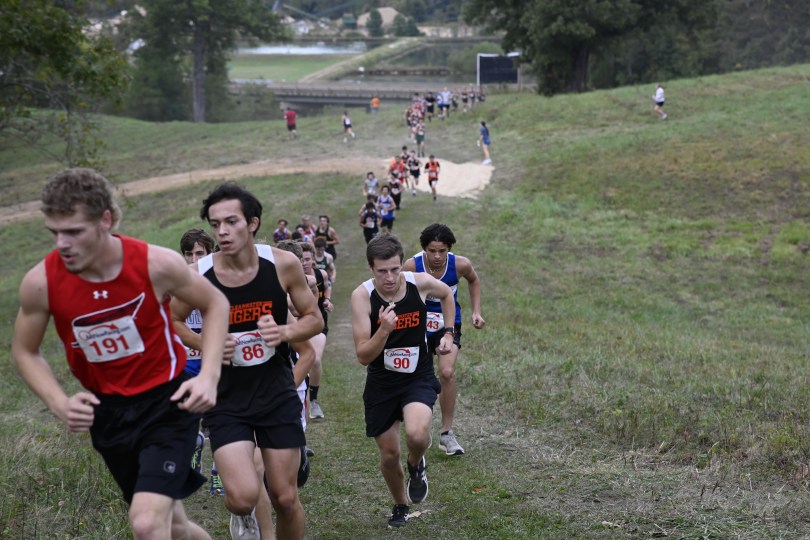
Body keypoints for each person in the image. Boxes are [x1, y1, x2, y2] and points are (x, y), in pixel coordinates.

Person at [12, 168, 230, 540]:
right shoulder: (41, 282)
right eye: (54, 232)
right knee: (175, 526)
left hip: (168, 403)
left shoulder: (154, 263)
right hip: (110, 414)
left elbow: (215, 303)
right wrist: (59, 403)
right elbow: (24, 351)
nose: (62, 244)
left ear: (105, 220)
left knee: (146, 524)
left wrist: (208, 376)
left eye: (74, 231)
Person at [172, 181, 323, 540]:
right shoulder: (199, 274)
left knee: (285, 497)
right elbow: (173, 320)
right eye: (215, 224)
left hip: (275, 390)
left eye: (231, 222)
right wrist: (207, 342)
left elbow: (314, 319)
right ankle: (243, 516)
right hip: (227, 395)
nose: (222, 231)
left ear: (252, 223)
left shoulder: (283, 264)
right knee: (241, 498)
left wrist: (284, 332)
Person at [350, 234, 456, 528]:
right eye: (382, 271)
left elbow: (447, 294)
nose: (389, 277)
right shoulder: (362, 297)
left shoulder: (418, 283)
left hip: (417, 377)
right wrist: (383, 330)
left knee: (418, 436)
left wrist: (449, 333)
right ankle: (400, 504)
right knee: (389, 454)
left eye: (395, 269)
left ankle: (416, 464)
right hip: (382, 383)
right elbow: (363, 355)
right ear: (371, 268)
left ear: (402, 265)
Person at [402, 224, 486, 457]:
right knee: (418, 375)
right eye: (432, 251)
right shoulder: (412, 266)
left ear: (449, 248)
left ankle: (447, 433)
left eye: (442, 251)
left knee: (447, 372)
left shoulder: (460, 264)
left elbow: (474, 280)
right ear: (424, 249)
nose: (437, 256)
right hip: (418, 325)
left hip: (448, 324)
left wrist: (476, 311)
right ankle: (421, 426)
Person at [299, 242, 333, 420]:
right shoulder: (292, 277)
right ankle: (299, 399)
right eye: (301, 259)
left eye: (307, 259)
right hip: (298, 324)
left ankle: (313, 401)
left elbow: (326, 287)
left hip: (318, 323)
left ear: (313, 259)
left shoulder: (321, 274)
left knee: (316, 360)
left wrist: (327, 300)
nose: (304, 263)